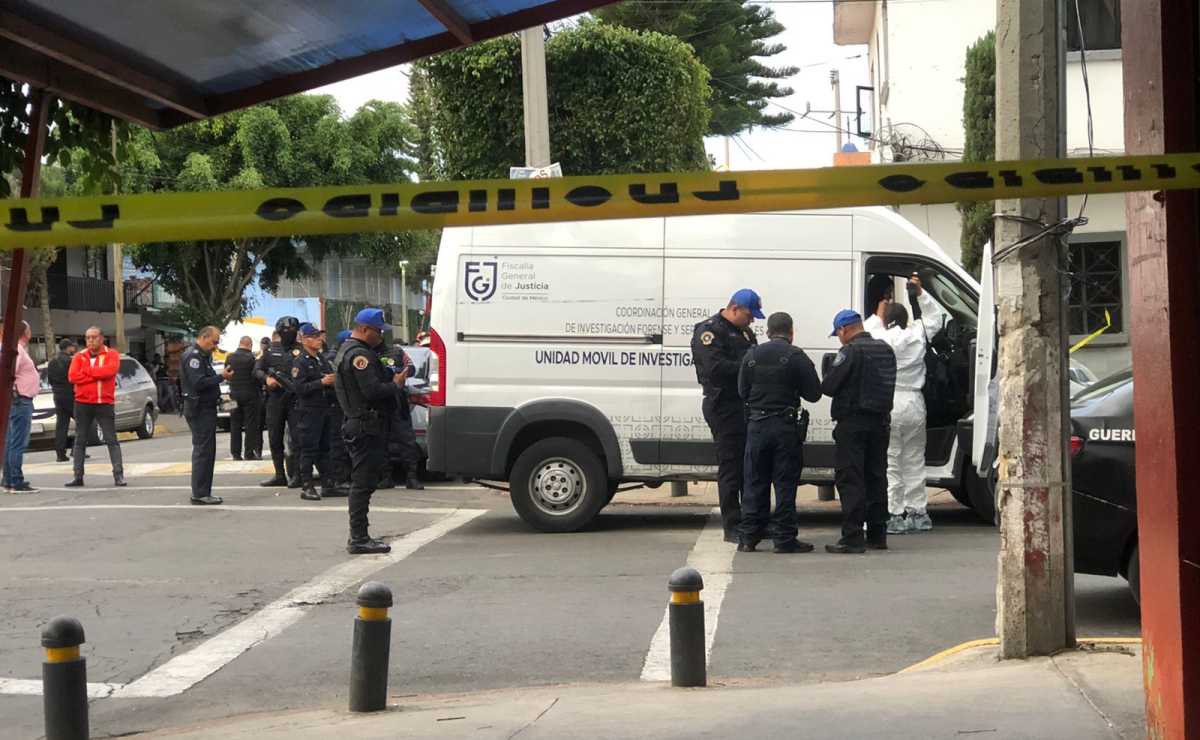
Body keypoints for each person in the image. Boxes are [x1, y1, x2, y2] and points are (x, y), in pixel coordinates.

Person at [736, 312, 822, 553]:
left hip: (756, 426)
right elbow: (814, 394)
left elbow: (742, 391)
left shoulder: (751, 355)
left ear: (767, 332)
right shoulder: (796, 356)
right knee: (785, 484)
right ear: (791, 333)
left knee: (754, 481)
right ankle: (784, 539)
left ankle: (749, 537)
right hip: (784, 428)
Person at [875, 276, 949, 534]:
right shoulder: (916, 333)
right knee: (915, 459)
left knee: (892, 460)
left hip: (891, 402)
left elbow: (865, 327)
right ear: (906, 319)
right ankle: (917, 512)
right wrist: (920, 293)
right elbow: (935, 318)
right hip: (915, 402)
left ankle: (894, 514)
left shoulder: (879, 336)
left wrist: (879, 311)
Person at [820, 309, 896, 554]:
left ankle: (852, 536)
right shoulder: (885, 349)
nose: (839, 338)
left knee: (851, 477)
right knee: (876, 476)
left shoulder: (850, 352)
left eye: (838, 334)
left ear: (844, 329)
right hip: (880, 423)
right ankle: (877, 534)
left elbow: (829, 387)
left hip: (853, 424)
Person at [335, 308, 410, 554]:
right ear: (364, 329)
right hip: (364, 424)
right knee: (362, 483)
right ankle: (358, 538)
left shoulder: (353, 351)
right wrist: (396, 385)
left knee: (365, 482)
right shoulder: (359, 355)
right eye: (378, 331)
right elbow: (372, 391)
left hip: (363, 423)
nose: (380, 336)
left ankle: (360, 534)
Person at [691, 288, 763, 542]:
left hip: (743, 405)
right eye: (749, 314)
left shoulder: (744, 332)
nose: (752, 320)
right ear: (734, 308)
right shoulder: (710, 331)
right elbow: (715, 368)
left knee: (747, 466)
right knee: (731, 466)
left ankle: (749, 521)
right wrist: (750, 366)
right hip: (723, 405)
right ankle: (732, 526)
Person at [66, 326, 126, 488]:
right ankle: (78, 476)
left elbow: (109, 371)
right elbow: (72, 376)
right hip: (82, 403)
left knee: (111, 439)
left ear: (101, 338)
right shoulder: (79, 356)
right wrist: (96, 374)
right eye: (88, 338)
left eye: (94, 337)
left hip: (104, 403)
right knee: (80, 440)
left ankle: (118, 475)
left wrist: (87, 373)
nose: (90, 340)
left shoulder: (111, 354)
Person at [181, 327, 231, 505]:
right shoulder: (193, 356)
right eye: (214, 341)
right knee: (203, 451)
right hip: (199, 409)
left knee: (207, 451)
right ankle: (200, 493)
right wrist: (221, 377)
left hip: (205, 408)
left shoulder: (203, 357)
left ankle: (203, 491)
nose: (215, 346)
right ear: (204, 337)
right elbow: (198, 382)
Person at [292, 322, 338, 501]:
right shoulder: (300, 361)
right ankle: (307, 486)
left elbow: (328, 376)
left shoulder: (321, 359)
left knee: (325, 448)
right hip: (309, 410)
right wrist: (321, 383)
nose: (319, 340)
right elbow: (299, 388)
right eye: (314, 336)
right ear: (304, 340)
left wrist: (331, 381)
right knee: (309, 449)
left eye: (319, 336)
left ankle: (328, 485)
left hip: (324, 408)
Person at [256, 317, 302, 487]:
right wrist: (266, 379)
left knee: (297, 439)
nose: (289, 333)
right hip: (275, 399)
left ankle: (297, 474)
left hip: (295, 399)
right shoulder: (269, 351)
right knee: (275, 438)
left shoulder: (302, 350)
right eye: (285, 330)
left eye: (292, 330)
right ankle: (279, 474)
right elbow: (257, 370)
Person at [379, 342, 424, 491]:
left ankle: (411, 477)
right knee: (380, 440)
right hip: (379, 399)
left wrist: (398, 371)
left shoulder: (396, 351)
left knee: (407, 441)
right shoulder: (366, 351)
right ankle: (385, 477)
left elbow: (411, 368)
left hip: (398, 401)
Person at [3, 321, 40, 493]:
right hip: (20, 400)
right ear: (26, 332)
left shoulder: (15, 349)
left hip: (16, 399)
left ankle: (9, 480)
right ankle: (16, 481)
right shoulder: (17, 350)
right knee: (17, 442)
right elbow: (10, 373)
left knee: (11, 441)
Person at [322, 330, 354, 496]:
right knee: (337, 444)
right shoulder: (332, 358)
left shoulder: (341, 356)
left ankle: (343, 478)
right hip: (334, 405)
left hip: (342, 405)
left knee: (342, 444)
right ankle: (338, 479)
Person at [226, 336, 262, 461]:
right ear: (250, 345)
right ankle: (249, 453)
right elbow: (257, 376)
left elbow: (227, 375)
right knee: (250, 424)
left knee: (234, 424)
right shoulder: (252, 359)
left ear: (240, 343)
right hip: (250, 394)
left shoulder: (230, 357)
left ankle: (235, 453)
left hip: (233, 395)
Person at [47, 338, 78, 463]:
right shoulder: (70, 361)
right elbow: (75, 377)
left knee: (61, 425)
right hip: (70, 395)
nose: (74, 349)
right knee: (82, 422)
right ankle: (77, 449)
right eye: (72, 347)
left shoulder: (52, 362)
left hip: (57, 395)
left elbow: (49, 380)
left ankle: (60, 453)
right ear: (68, 348)